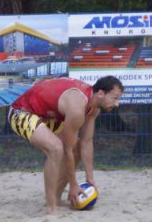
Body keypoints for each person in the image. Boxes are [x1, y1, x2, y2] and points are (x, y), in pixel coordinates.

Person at [8, 75, 123, 214]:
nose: (117, 104)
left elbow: (86, 142)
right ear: (100, 93)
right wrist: (73, 184)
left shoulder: (94, 107)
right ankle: (51, 207)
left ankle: (56, 198)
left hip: (48, 115)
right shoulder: (77, 107)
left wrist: (90, 178)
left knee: (76, 147)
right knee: (56, 148)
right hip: (21, 111)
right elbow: (67, 148)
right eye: (114, 98)